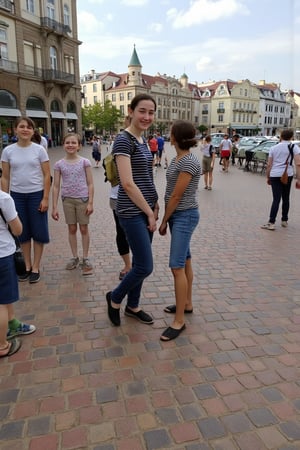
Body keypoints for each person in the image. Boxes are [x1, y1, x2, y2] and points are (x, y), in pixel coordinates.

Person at [106, 93, 159, 327]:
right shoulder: (123, 140)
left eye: (151, 112)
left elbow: (146, 176)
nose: (147, 117)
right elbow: (127, 183)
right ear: (131, 111)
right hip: (131, 211)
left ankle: (133, 306)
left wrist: (155, 202)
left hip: (147, 207)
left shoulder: (143, 140)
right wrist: (148, 211)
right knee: (145, 266)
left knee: (139, 262)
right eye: (142, 111)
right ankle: (115, 298)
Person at [159, 120, 201, 341]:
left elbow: (176, 196)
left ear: (175, 137)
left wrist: (164, 220)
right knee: (185, 261)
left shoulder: (189, 162)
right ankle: (186, 303)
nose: (169, 135)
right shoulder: (178, 158)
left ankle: (179, 321)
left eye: (171, 132)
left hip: (184, 216)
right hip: (179, 216)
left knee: (176, 267)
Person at [1, 116, 51, 284]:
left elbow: (46, 175)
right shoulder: (8, 151)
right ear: (15, 130)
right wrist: (4, 200)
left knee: (38, 231)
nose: (25, 129)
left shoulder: (39, 150)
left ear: (33, 131)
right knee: (21, 232)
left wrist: (45, 198)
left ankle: (36, 266)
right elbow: (5, 178)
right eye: (21, 126)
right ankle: (27, 265)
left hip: (36, 195)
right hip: (17, 196)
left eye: (29, 127)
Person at [52, 133, 94, 275]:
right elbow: (56, 186)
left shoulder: (84, 162)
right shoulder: (59, 164)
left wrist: (91, 203)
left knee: (83, 228)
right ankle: (74, 257)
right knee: (71, 229)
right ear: (63, 145)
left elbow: (90, 183)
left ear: (79, 146)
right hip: (67, 200)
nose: (70, 145)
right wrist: (54, 206)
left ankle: (85, 257)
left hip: (82, 199)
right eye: (67, 142)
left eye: (73, 143)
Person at [0, 189, 36, 357]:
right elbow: (18, 229)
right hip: (2, 254)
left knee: (4, 297)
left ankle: (12, 323)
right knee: (1, 301)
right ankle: (2, 345)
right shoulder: (4, 198)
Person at [261, 129, 300, 230]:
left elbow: (269, 164)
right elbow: (298, 164)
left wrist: (268, 176)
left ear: (281, 136)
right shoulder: (294, 147)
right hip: (288, 174)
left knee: (276, 199)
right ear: (291, 137)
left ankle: (271, 222)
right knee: (286, 197)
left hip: (274, 174)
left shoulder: (273, 148)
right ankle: (284, 220)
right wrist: (298, 178)